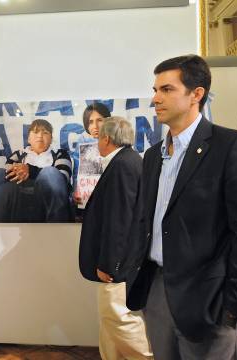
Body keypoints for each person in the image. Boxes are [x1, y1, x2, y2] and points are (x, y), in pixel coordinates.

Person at [126, 55, 237, 360]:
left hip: (210, 298)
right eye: (155, 89)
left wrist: (233, 307)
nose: (155, 99)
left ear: (197, 94)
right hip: (158, 290)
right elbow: (145, 222)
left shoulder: (232, 147)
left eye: (166, 89)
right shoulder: (152, 156)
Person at [79, 117, 152, 360]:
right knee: (109, 322)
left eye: (98, 137)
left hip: (118, 265)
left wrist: (109, 264)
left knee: (118, 317)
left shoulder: (122, 165)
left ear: (106, 139)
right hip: (125, 259)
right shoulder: (129, 161)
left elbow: (119, 221)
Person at [0, 119, 72, 222]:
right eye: (35, 132)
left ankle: (57, 228)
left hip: (45, 200)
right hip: (19, 198)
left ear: (51, 139)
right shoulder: (18, 154)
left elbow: (62, 178)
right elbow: (8, 174)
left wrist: (30, 170)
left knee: (50, 173)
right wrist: (21, 172)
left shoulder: (60, 154)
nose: (40, 136)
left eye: (45, 132)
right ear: (29, 139)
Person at [72, 102, 111, 206]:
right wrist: (77, 191)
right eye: (91, 122)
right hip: (89, 200)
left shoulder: (117, 139)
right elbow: (77, 172)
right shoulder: (83, 141)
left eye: (99, 120)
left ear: (107, 121)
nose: (95, 126)